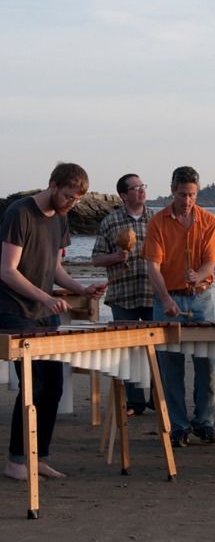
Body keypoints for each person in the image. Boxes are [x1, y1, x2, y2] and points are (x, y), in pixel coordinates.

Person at [1, 163, 107, 481]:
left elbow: (55, 268)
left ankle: (38, 456)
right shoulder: (19, 213)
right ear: (52, 185)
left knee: (54, 388)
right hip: (14, 310)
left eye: (76, 200)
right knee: (33, 386)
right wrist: (45, 297)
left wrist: (82, 289)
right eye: (68, 197)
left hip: (44, 314)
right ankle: (16, 461)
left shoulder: (60, 218)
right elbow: (7, 269)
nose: (71, 205)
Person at [141, 166, 215, 448]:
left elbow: (211, 262)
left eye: (192, 195)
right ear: (172, 190)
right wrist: (165, 299)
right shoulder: (157, 223)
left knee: (207, 364)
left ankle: (205, 422)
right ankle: (178, 425)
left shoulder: (209, 220)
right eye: (182, 194)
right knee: (171, 367)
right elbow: (152, 265)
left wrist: (199, 275)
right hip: (168, 297)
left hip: (201, 298)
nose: (187, 201)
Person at [91, 173, 154, 416]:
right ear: (124, 195)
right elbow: (96, 258)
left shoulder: (157, 219)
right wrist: (115, 257)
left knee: (158, 349)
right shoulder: (111, 221)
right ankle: (135, 402)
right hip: (122, 292)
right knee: (127, 350)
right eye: (136, 187)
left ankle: (157, 398)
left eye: (142, 186)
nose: (141, 190)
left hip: (152, 292)